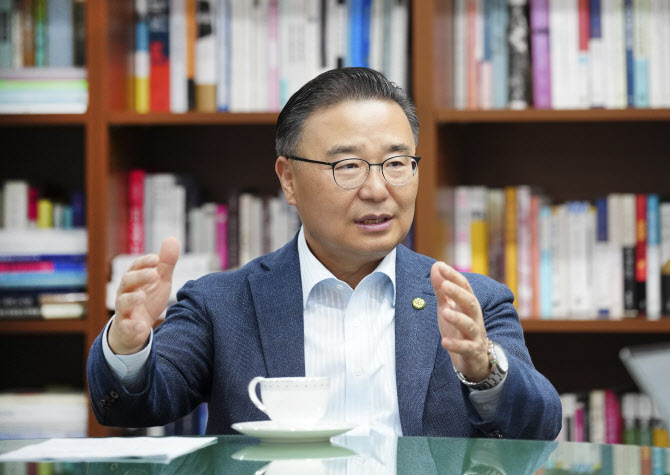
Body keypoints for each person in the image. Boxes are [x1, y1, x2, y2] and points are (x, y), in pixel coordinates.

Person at [87, 67, 561, 440]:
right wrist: (128, 348)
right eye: (348, 166)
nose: (377, 189)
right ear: (289, 179)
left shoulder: (471, 302)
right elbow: (133, 405)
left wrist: (483, 368)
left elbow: (539, 425)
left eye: (397, 163)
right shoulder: (222, 304)